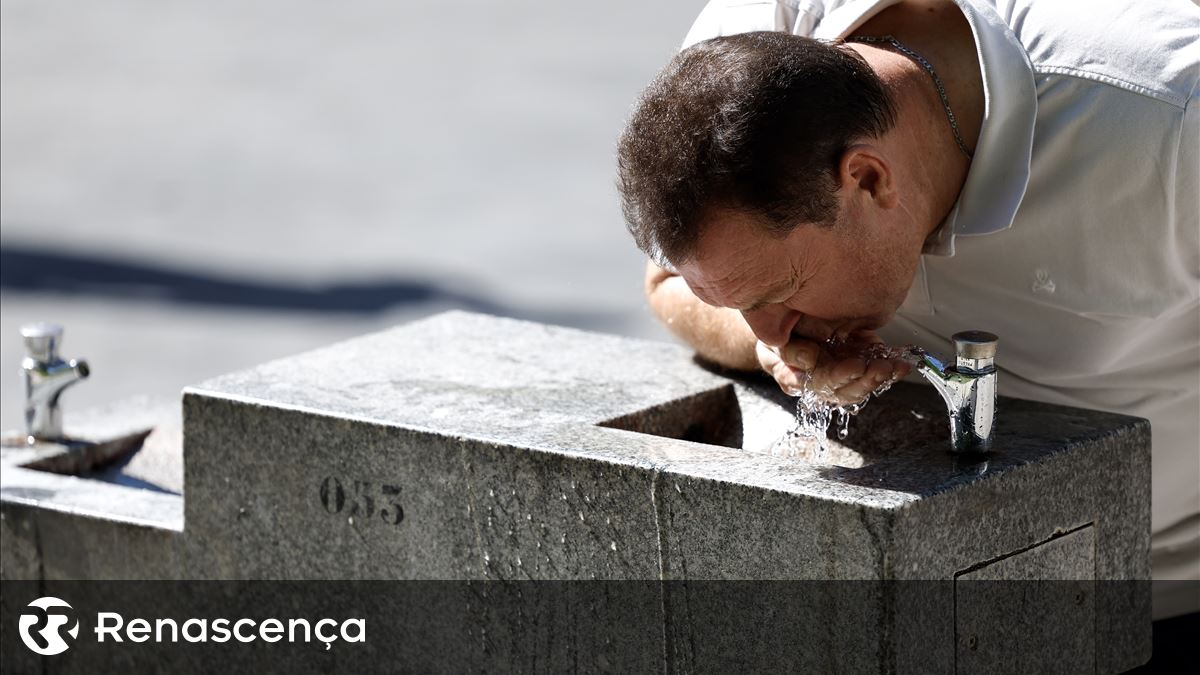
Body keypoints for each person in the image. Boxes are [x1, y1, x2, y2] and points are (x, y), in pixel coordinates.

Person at [616, 0, 1198, 618]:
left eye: (776, 291)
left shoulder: (1169, 117)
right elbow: (666, 284)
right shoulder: (745, 57)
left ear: (868, 179)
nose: (769, 329)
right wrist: (763, 346)